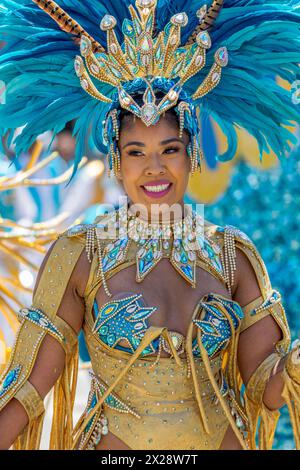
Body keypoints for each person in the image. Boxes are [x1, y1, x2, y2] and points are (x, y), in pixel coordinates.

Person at [0, 0, 299, 451]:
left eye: (170, 149)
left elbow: (266, 386)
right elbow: (28, 388)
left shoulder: (233, 256)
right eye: (137, 151)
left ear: (191, 153)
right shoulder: (83, 255)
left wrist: (294, 365)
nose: (154, 169)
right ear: (117, 161)